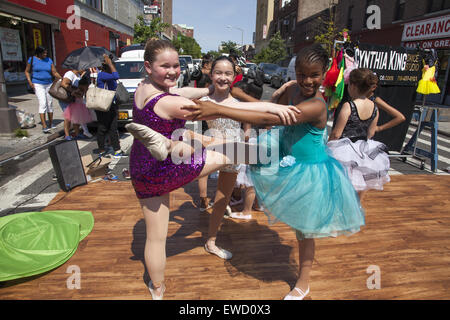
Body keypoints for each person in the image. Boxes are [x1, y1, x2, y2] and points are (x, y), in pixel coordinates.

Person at [126, 43, 365, 300]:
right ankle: (176, 144)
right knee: (237, 151)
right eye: (167, 66)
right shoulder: (171, 101)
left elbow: (266, 114)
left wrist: (241, 100)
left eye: (176, 66)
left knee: (156, 237)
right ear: (149, 67)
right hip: (174, 165)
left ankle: (157, 288)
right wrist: (269, 104)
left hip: (142, 167)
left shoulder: (143, 87)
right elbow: (265, 112)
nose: (173, 71)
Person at [327, 68, 391, 200]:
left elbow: (336, 134)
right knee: (359, 185)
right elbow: (371, 133)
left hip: (344, 151)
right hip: (363, 150)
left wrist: (327, 148)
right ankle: (356, 213)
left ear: (353, 86)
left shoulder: (349, 106)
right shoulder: (375, 108)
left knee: (339, 187)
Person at [24, 46, 62, 133]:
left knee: (50, 103)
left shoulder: (49, 60)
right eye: (43, 53)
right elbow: (27, 71)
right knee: (43, 103)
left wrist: (62, 78)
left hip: (49, 84)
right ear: (38, 53)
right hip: (38, 84)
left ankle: (51, 123)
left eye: (46, 53)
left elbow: (54, 72)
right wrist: (30, 82)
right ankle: (44, 125)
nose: (45, 54)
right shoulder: (32, 59)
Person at [95, 54, 126, 158]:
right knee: (102, 128)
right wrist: (109, 62)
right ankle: (102, 149)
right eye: (112, 65)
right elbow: (116, 75)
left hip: (111, 105)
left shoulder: (108, 75)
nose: (114, 66)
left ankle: (117, 150)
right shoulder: (102, 74)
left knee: (113, 128)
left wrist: (110, 62)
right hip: (104, 105)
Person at [59, 69, 93, 140]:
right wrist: (73, 91)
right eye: (82, 68)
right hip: (67, 98)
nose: (84, 69)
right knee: (68, 117)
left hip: (73, 98)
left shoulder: (78, 75)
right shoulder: (69, 74)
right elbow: (63, 84)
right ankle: (67, 135)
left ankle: (77, 133)